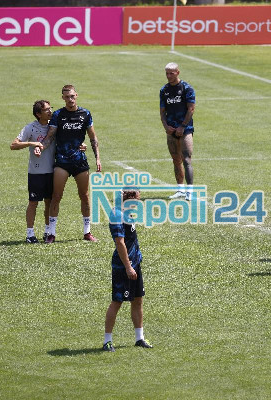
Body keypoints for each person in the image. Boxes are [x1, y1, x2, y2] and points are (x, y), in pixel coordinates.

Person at [35, 84, 102, 243]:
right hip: (62, 162)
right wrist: (41, 147)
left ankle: (87, 232)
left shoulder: (85, 114)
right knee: (56, 196)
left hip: (80, 161)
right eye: (67, 97)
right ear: (63, 98)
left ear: (76, 95)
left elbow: (93, 138)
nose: (70, 99)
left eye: (72, 96)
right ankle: (51, 233)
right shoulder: (58, 115)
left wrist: (98, 158)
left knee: (84, 196)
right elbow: (50, 136)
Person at [102, 188, 152, 352]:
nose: (139, 202)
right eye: (137, 198)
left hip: (135, 263)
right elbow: (120, 242)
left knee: (137, 300)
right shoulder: (117, 215)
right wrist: (128, 267)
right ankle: (107, 341)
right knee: (117, 302)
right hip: (124, 266)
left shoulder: (128, 213)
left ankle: (139, 338)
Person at [10, 100, 54, 243]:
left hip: (52, 171)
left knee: (49, 202)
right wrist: (31, 143)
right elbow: (13, 145)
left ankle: (48, 232)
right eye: (46, 110)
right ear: (38, 114)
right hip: (36, 173)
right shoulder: (30, 128)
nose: (50, 111)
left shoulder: (54, 126)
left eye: (50, 108)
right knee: (33, 203)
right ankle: (30, 234)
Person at [160, 62, 196, 200]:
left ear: (178, 72)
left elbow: (191, 109)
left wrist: (182, 126)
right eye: (167, 73)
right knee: (176, 160)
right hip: (171, 130)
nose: (169, 76)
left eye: (171, 73)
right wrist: (166, 126)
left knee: (186, 159)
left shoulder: (187, 88)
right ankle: (180, 189)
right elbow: (162, 111)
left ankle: (190, 191)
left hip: (185, 129)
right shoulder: (164, 90)